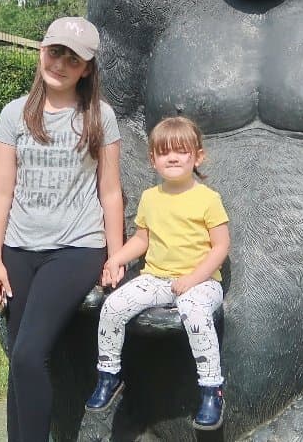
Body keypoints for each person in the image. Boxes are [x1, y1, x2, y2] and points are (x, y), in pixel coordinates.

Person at [0, 16, 125, 442]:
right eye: (54, 52)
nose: (60, 64)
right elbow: (2, 192)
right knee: (19, 362)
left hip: (76, 249)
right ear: (41, 53)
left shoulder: (99, 116)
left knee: (29, 354)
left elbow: (111, 193)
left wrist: (116, 257)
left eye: (73, 58)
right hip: (18, 249)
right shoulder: (15, 114)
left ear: (87, 69)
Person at [84, 116, 231, 430]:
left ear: (197, 157)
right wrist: (115, 260)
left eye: (181, 152)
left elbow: (220, 248)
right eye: (165, 153)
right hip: (157, 278)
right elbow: (142, 239)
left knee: (194, 311)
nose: (173, 158)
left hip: (201, 281)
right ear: (153, 159)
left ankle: (211, 389)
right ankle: (109, 375)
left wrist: (193, 279)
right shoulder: (151, 198)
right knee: (112, 306)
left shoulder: (208, 199)